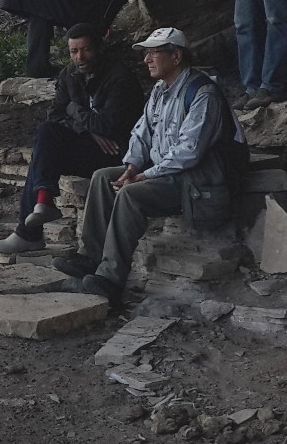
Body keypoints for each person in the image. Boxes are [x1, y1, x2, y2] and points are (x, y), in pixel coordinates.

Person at [56, 27, 241, 304]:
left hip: (198, 181)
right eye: (147, 54)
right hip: (167, 171)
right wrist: (132, 166)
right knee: (103, 177)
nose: (146, 60)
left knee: (131, 194)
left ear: (176, 56)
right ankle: (91, 257)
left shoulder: (203, 93)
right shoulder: (159, 90)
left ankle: (110, 279)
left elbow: (189, 152)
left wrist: (145, 176)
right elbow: (141, 133)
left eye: (154, 53)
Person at [0, 23, 144, 255]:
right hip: (90, 144)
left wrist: (74, 109)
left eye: (86, 50)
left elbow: (107, 126)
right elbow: (55, 115)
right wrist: (87, 130)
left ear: (99, 48)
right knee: (46, 133)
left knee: (44, 149)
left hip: (118, 155)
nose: (80, 57)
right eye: (74, 51)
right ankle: (42, 205)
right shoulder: (70, 74)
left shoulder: (120, 78)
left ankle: (29, 231)